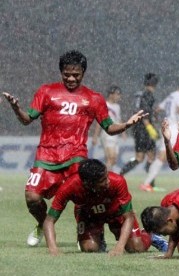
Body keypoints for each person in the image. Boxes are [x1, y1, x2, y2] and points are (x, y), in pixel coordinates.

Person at [2, 50, 146, 247]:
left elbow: (109, 128)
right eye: (66, 74)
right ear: (61, 72)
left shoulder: (93, 98)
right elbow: (27, 119)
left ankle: (85, 234)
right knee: (32, 197)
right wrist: (16, 108)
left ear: (83, 73)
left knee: (85, 195)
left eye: (76, 74)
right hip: (46, 155)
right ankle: (42, 225)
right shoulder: (46, 92)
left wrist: (127, 125)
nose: (71, 78)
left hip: (75, 156)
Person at [43, 159, 167, 256]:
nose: (108, 181)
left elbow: (128, 217)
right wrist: (53, 250)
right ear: (88, 183)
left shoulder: (118, 181)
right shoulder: (69, 188)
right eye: (103, 180)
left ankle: (149, 236)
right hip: (89, 216)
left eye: (107, 175)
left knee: (136, 248)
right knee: (90, 249)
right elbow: (49, 221)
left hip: (116, 214)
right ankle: (98, 237)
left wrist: (119, 247)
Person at [139, 79, 179, 191]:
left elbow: (158, 109)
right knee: (169, 156)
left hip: (168, 127)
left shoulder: (171, 95)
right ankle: (146, 183)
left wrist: (156, 120)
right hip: (175, 128)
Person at [119, 73, 164, 192]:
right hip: (144, 129)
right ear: (154, 84)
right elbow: (144, 112)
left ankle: (121, 174)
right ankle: (150, 184)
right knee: (151, 157)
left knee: (139, 157)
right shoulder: (148, 95)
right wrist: (149, 127)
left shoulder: (139, 95)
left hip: (137, 129)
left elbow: (140, 110)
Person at [92, 85, 126, 172]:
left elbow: (119, 120)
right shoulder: (104, 105)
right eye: (117, 94)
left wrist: (123, 132)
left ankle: (107, 177)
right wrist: (95, 136)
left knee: (113, 160)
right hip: (107, 134)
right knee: (111, 157)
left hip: (115, 135)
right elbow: (100, 122)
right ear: (111, 94)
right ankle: (103, 178)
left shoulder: (117, 107)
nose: (119, 96)